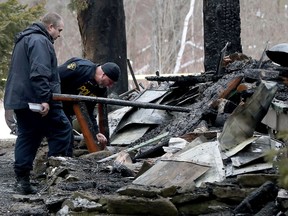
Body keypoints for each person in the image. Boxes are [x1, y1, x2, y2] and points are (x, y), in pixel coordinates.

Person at [3, 12, 72, 195]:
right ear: (50, 27)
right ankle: (57, 176)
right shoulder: (40, 41)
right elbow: (39, 72)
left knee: (28, 136)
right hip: (36, 99)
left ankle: (22, 180)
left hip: (20, 99)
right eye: (59, 30)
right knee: (62, 130)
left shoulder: (24, 39)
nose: (59, 34)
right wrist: (44, 98)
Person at [58, 57, 121, 156]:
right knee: (62, 132)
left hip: (65, 111)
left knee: (68, 139)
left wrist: (96, 132)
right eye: (110, 82)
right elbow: (55, 76)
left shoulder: (100, 90)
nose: (110, 86)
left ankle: (64, 165)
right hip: (52, 103)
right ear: (103, 75)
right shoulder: (81, 68)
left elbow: (88, 112)